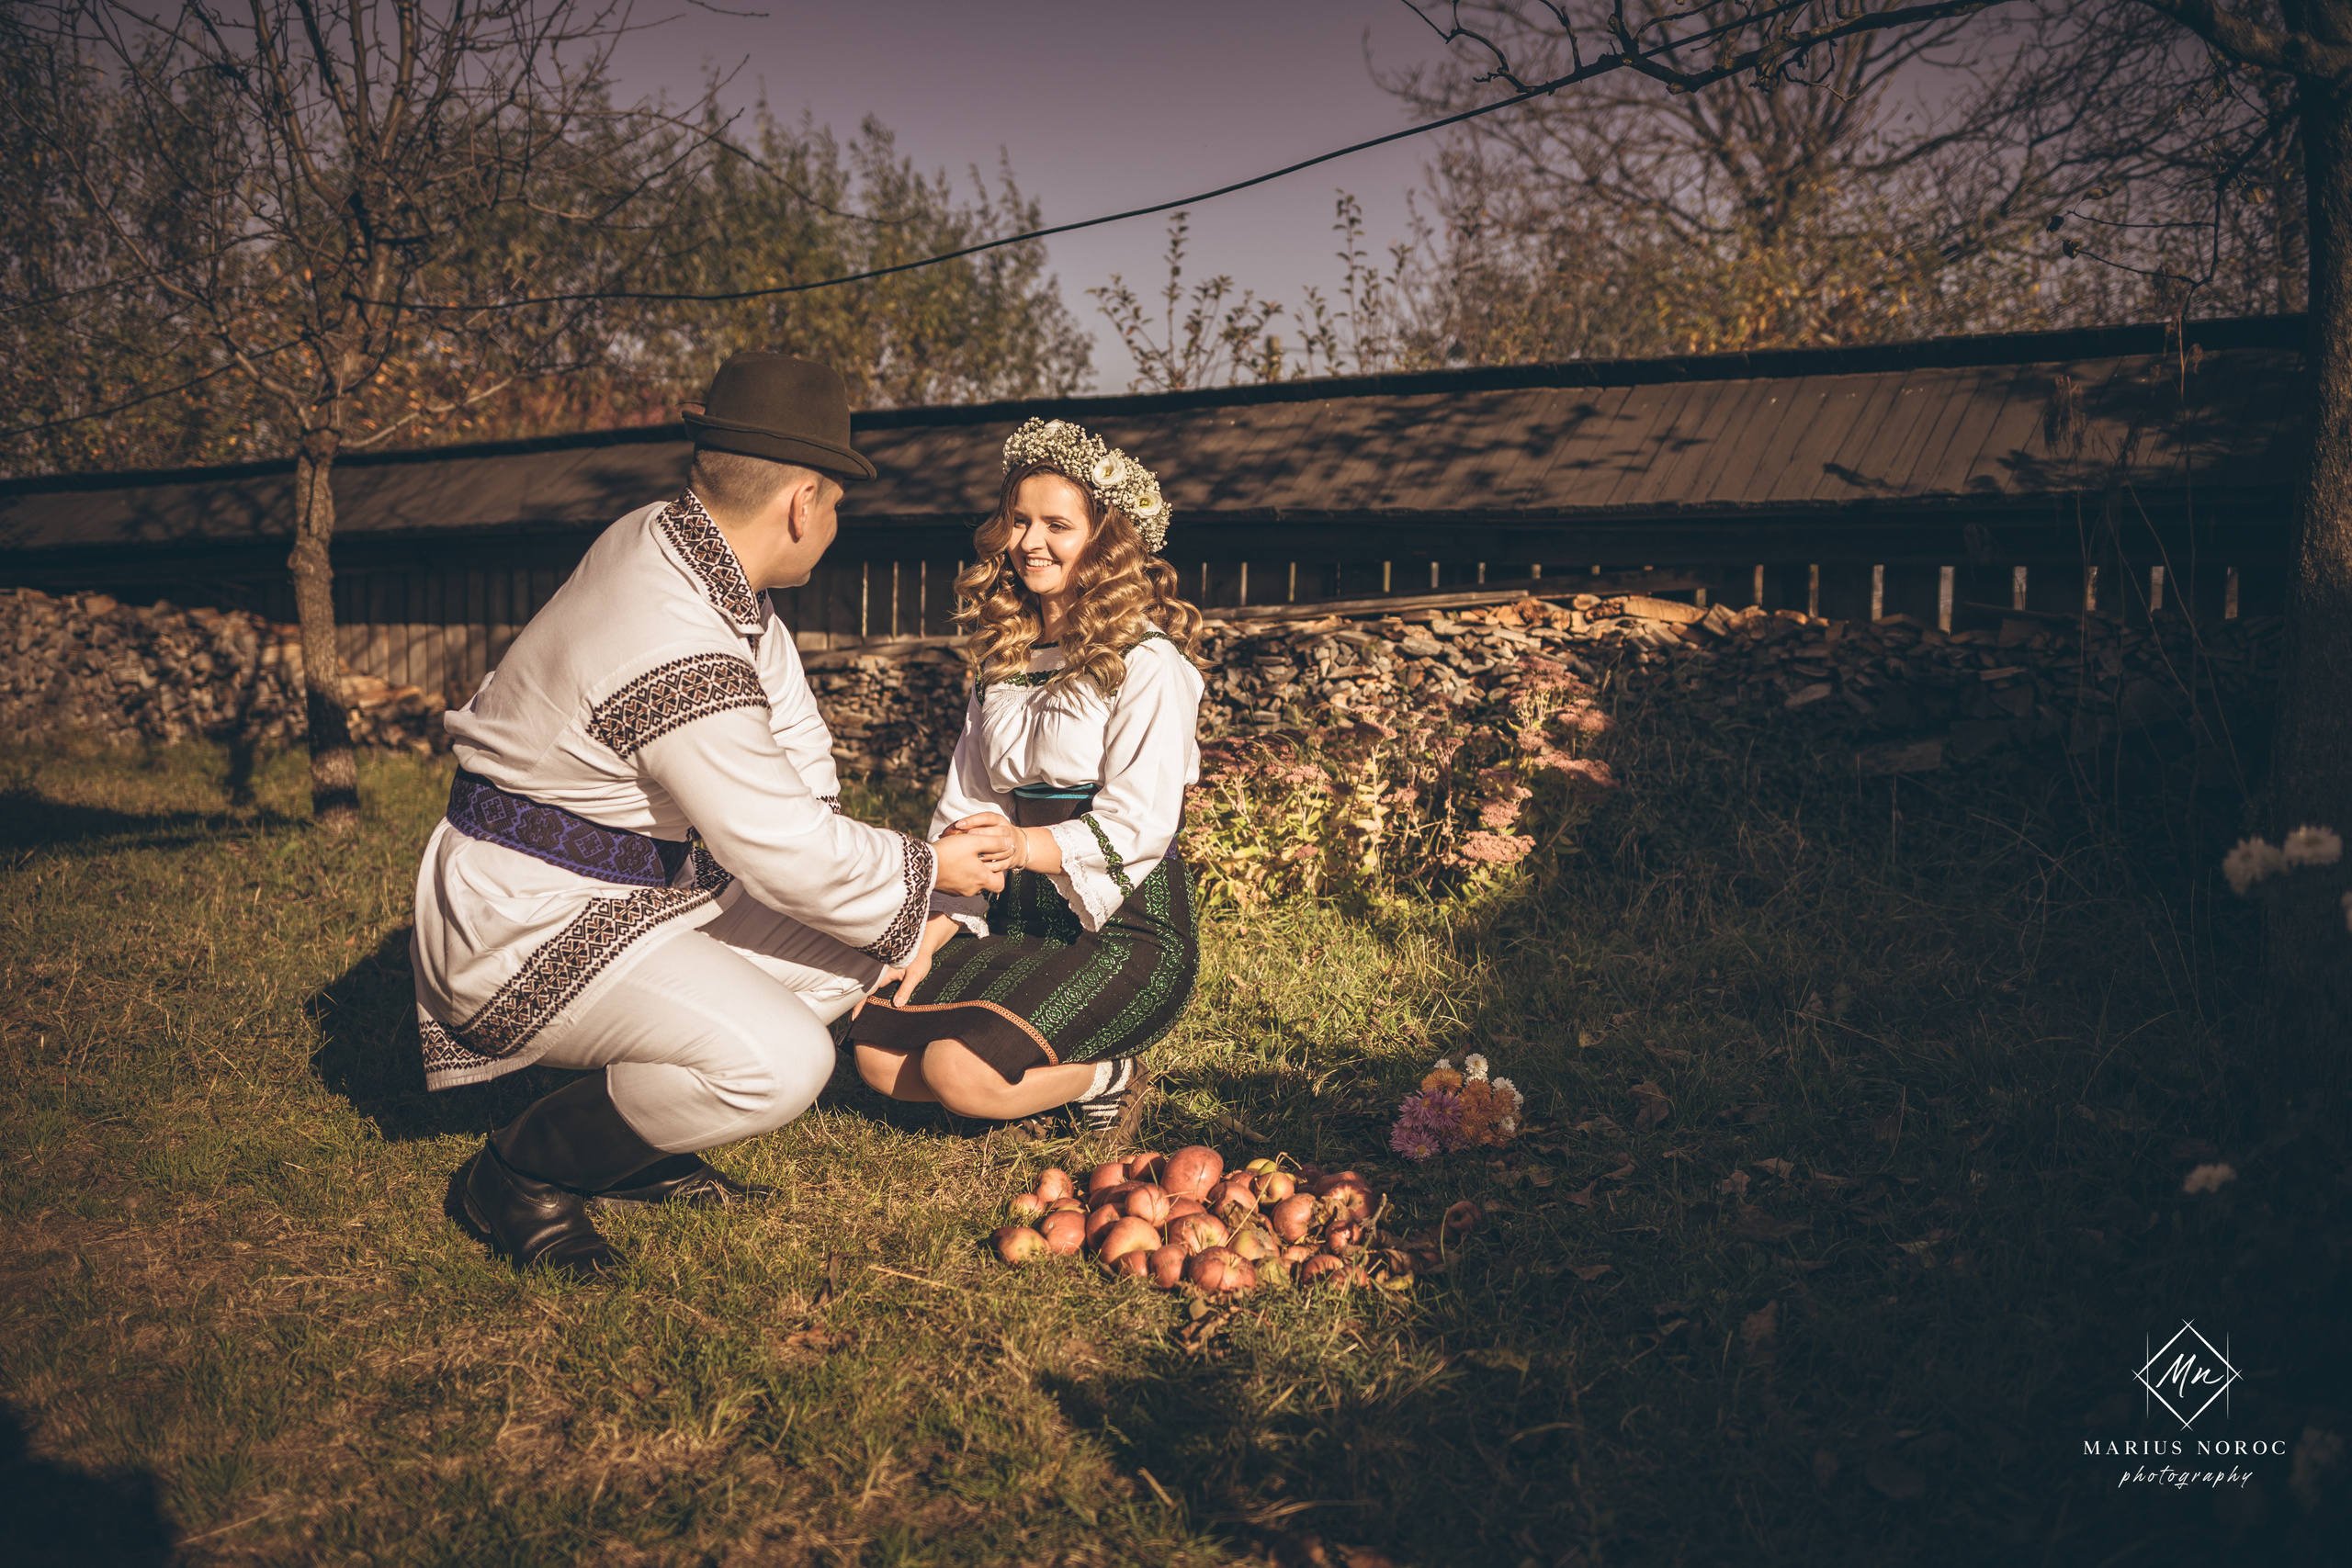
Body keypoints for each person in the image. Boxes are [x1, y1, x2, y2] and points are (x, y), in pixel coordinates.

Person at [409, 351, 1003, 1280]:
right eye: (837, 503)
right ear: (803, 502)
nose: (835, 523)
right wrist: (932, 874)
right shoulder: (671, 630)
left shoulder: (683, 548)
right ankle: (519, 1173)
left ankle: (631, 1146)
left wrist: (882, 895)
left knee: (851, 952)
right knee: (781, 1063)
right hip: (525, 916)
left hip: (629, 891)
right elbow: (782, 843)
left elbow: (795, 764)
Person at [850, 416, 1205, 1141]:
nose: (1029, 543)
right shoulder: (1003, 663)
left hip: (1121, 922)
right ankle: (1032, 1064)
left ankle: (1109, 1074)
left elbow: (1139, 824)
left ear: (1106, 540)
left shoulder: (1149, 663)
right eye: (1018, 521)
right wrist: (931, 928)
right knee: (876, 1057)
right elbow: (966, 808)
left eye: (1057, 525)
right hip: (1017, 913)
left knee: (958, 1073)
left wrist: (1021, 846)